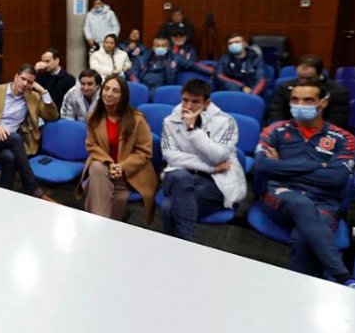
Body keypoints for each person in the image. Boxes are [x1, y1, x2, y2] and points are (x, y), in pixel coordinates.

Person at [254, 80, 355, 290]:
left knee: (304, 238)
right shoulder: (275, 130)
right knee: (300, 203)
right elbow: (261, 166)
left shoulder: (344, 138)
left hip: (324, 202)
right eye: (295, 100)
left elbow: (335, 179)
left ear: (323, 103)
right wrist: (316, 165)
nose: (300, 104)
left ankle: (295, 294)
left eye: (308, 100)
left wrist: (281, 166)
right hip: (281, 195)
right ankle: (342, 276)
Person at [160, 79, 246, 241]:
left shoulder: (226, 123)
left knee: (168, 208)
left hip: (215, 181)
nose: (188, 106)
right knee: (181, 177)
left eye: (195, 102)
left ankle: (177, 249)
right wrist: (210, 167)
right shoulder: (170, 121)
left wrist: (192, 130)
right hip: (182, 175)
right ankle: (186, 246)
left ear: (207, 103)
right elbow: (171, 156)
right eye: (185, 100)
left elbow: (218, 156)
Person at [0, 64, 59, 201]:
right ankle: (32, 188)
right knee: (16, 138)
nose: (25, 84)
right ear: (16, 76)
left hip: (7, 144)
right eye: (23, 79)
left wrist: (43, 92)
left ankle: (2, 198)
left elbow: (52, 116)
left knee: (9, 158)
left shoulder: (33, 97)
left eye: (30, 82)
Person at [81, 75, 158, 222]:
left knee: (116, 196)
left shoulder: (137, 119)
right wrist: (109, 163)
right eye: (107, 89)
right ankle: (101, 224)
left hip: (130, 172)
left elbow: (144, 151)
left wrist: (121, 166)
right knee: (96, 167)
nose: (109, 94)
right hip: (104, 166)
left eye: (115, 91)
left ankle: (99, 224)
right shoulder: (94, 117)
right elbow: (91, 145)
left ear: (123, 96)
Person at [267, 54, 351, 127]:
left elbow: (337, 120)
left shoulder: (338, 92)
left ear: (319, 74)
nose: (304, 81)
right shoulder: (284, 87)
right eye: (301, 77)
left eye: (309, 78)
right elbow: (276, 112)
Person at [132, 36, 213, 96]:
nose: (160, 48)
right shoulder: (142, 59)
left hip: (162, 89)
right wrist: (139, 88)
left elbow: (193, 65)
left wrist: (212, 72)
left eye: (163, 46)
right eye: (157, 46)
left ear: (168, 47)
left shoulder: (175, 58)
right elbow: (133, 74)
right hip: (144, 87)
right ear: (153, 47)